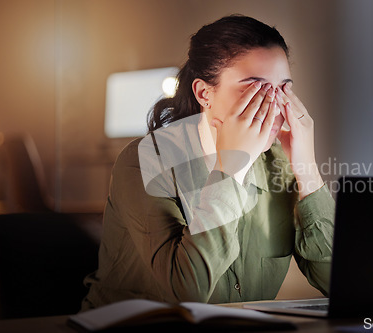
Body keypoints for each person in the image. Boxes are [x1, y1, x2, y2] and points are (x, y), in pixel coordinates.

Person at [81, 14, 334, 310]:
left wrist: (307, 170)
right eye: (255, 88)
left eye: (282, 89)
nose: (273, 105)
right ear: (204, 93)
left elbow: (336, 283)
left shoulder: (278, 165)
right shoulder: (145, 161)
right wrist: (232, 165)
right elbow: (188, 291)